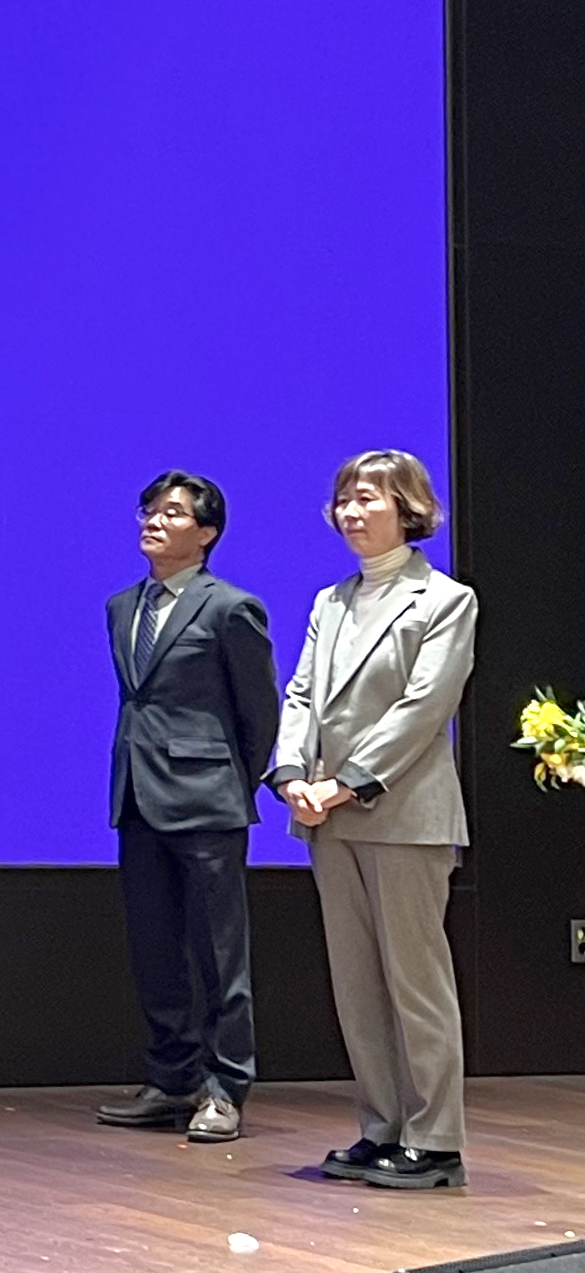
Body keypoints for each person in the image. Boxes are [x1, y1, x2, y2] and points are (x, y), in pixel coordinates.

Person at [269, 450, 477, 1190]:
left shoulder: (445, 600)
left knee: (415, 981)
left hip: (404, 814)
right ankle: (382, 1128)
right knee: (357, 985)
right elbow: (300, 695)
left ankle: (435, 1140)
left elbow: (424, 707)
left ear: (409, 509)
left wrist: (345, 784)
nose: (352, 512)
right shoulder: (330, 601)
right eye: (345, 500)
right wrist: (292, 776)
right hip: (328, 815)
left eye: (369, 498)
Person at [93, 472, 279, 1144]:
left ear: (206, 533)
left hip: (207, 801)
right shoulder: (122, 606)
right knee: (155, 951)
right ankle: (171, 1080)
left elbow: (259, 712)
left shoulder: (231, 608)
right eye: (149, 509)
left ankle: (226, 1089)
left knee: (219, 957)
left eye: (172, 512)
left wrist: (233, 783)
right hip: (137, 794)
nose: (153, 520)